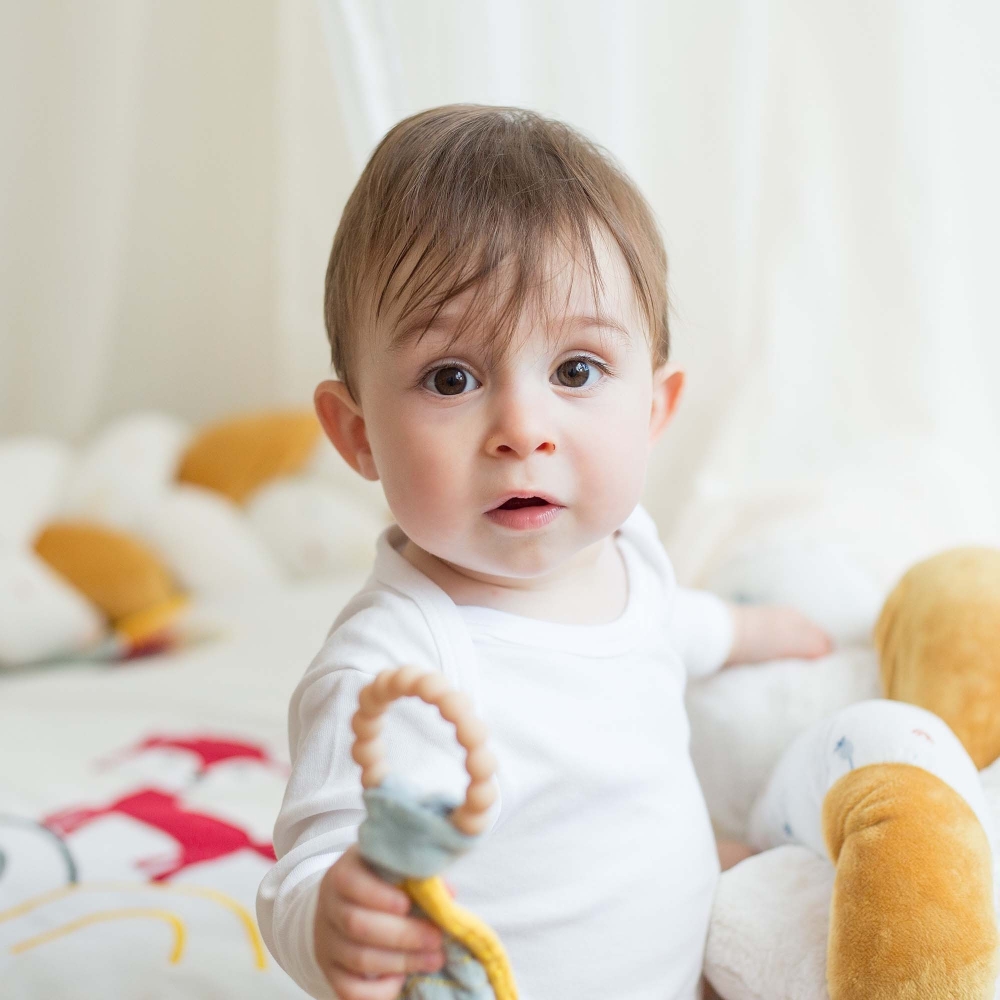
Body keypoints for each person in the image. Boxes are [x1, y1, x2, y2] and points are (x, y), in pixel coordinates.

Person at [256, 104, 831, 1000]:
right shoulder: (400, 663)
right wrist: (331, 916)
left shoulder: (627, 549)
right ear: (357, 432)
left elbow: (662, 630)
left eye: (575, 371)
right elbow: (309, 862)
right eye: (453, 377)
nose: (524, 430)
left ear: (653, 410)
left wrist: (754, 631)